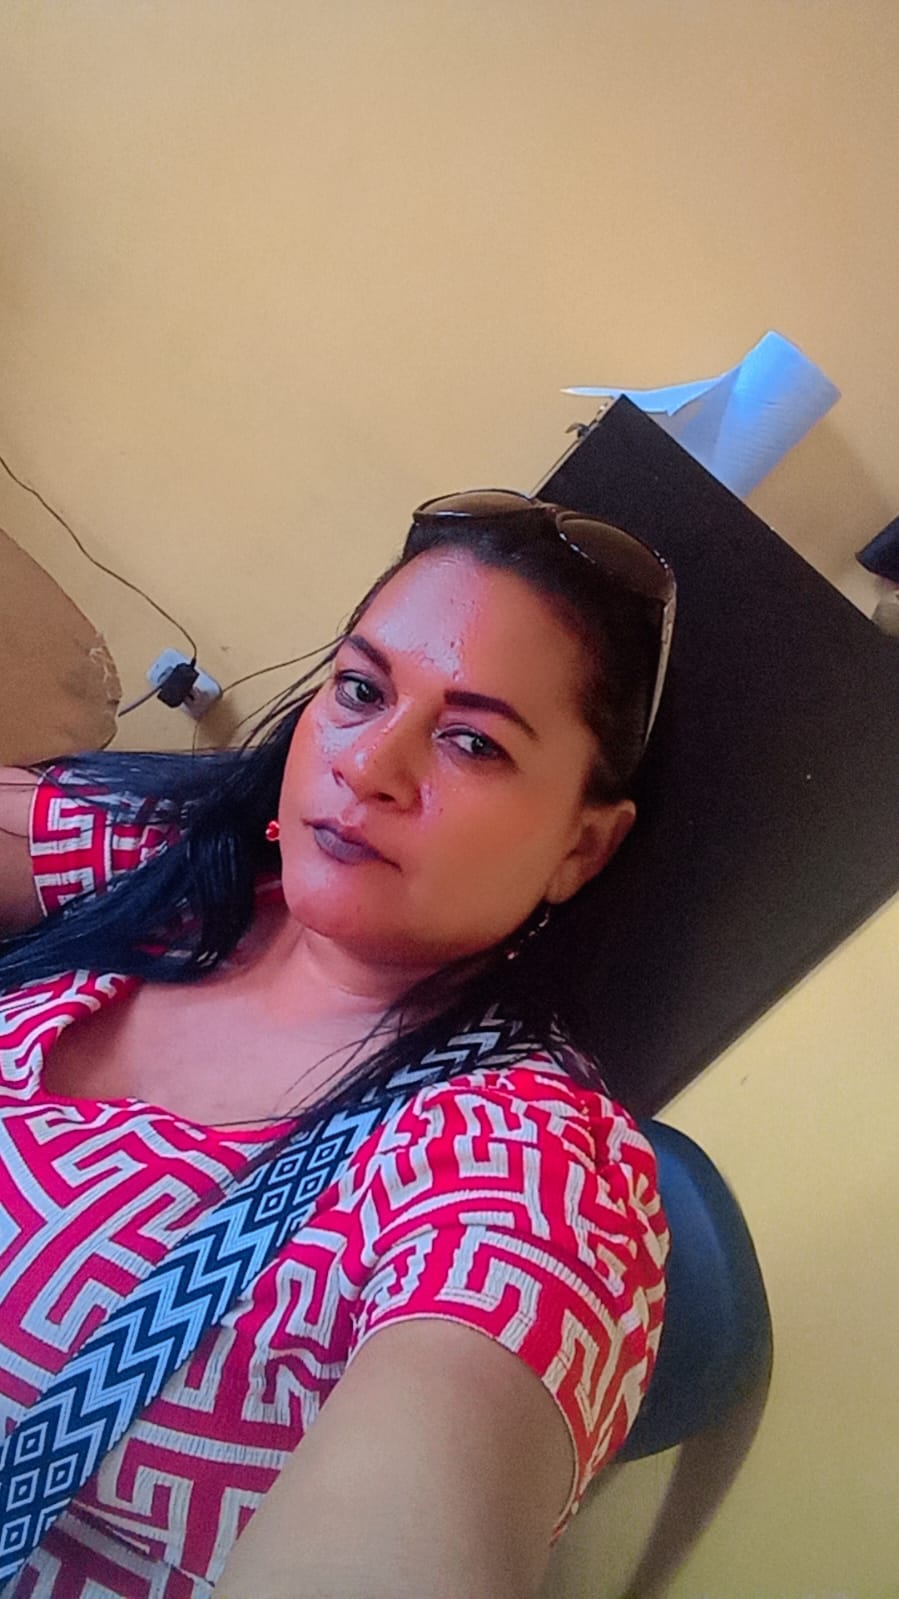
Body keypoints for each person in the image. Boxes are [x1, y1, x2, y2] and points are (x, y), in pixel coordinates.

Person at [0, 490, 674, 1599]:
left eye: (472, 741)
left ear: (582, 847)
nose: (367, 765)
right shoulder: (192, 871)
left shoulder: (521, 1162)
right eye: (361, 690)